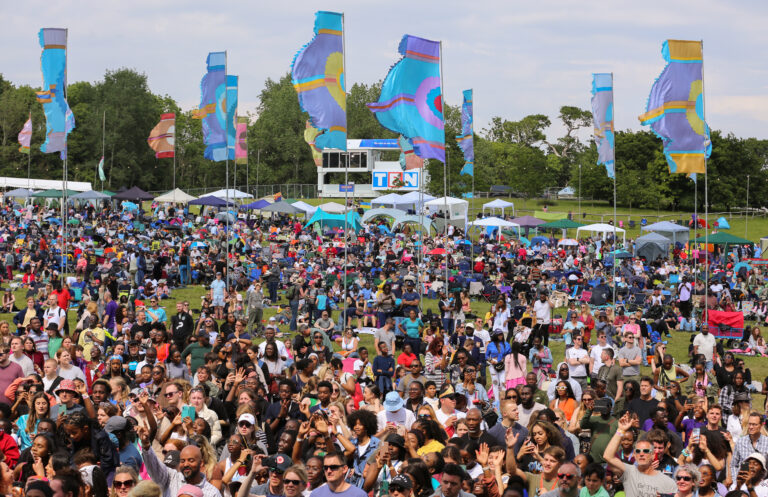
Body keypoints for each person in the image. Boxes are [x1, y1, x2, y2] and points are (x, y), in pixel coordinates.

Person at [137, 421, 222, 497]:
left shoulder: (212, 493)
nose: (186, 464)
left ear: (201, 463)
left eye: (191, 460)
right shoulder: (171, 478)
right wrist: (146, 445)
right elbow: (155, 467)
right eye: (182, 461)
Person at [603, 413, 677, 497]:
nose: (641, 454)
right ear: (634, 454)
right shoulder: (629, 472)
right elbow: (608, 456)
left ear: (653, 454)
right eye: (638, 451)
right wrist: (621, 430)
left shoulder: (667, 481)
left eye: (645, 451)